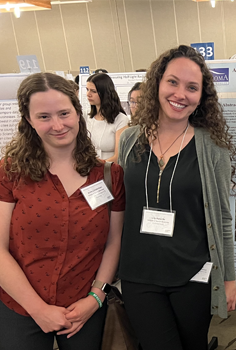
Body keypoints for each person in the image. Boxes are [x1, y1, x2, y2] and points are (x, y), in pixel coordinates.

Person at [117, 45, 236, 350]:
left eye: (192, 87)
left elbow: (224, 218)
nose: (180, 93)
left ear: (201, 96)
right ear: (157, 83)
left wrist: (228, 280)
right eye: (172, 82)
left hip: (193, 275)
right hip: (139, 274)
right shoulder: (130, 139)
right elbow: (120, 207)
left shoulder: (213, 148)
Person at [0, 73, 125, 350]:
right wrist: (38, 310)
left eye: (64, 113)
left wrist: (96, 297)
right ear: (29, 121)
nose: (57, 125)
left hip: (84, 306)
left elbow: (113, 241)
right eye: (44, 116)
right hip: (21, 305)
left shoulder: (107, 175)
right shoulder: (11, 172)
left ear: (78, 114)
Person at [86, 73, 129, 162]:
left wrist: (98, 167)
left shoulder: (121, 119)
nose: (88, 94)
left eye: (93, 91)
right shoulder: (87, 116)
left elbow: (118, 156)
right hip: (89, 169)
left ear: (104, 93)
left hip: (109, 170)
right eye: (87, 90)